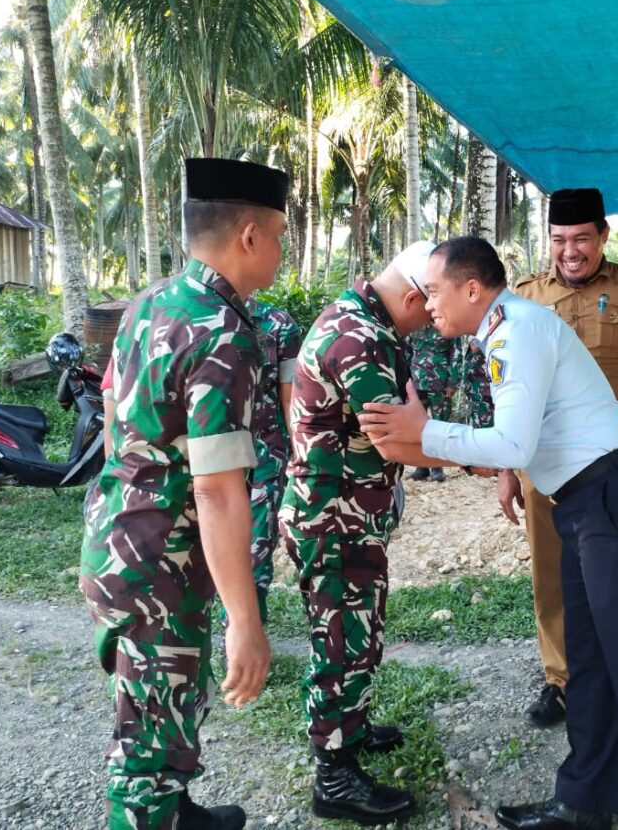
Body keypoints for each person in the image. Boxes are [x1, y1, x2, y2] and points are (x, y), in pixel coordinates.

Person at [359, 237, 618, 830]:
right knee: (589, 662)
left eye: (435, 292)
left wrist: (426, 430)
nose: (427, 303)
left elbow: (512, 443)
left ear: (471, 289)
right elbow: (523, 438)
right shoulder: (502, 331)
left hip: (613, 500)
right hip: (585, 506)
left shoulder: (516, 331)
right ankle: (585, 804)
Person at [80, 157, 285, 830]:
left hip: (121, 540)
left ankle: (176, 809)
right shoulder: (223, 333)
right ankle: (153, 813)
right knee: (145, 747)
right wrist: (246, 625)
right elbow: (219, 491)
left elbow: (114, 417)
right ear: (249, 235)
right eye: (282, 235)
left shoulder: (152, 305)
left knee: (156, 709)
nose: (285, 251)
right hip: (159, 565)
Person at [278, 239, 439, 825]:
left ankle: (354, 724)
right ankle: (334, 775)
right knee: (340, 639)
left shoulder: (369, 324)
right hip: (333, 518)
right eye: (434, 304)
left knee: (361, 628)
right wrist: (484, 458)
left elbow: (405, 412)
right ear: (414, 294)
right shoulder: (360, 339)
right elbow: (398, 436)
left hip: (349, 513)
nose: (435, 319)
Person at [506, 187, 618, 727]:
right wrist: (509, 471)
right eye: (559, 240)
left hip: (616, 469)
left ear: (603, 235)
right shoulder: (524, 296)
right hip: (546, 471)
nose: (570, 251)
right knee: (552, 577)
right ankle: (561, 681)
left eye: (581, 238)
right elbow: (510, 388)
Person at [245, 300, 303, 625]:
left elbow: (289, 399)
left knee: (256, 551)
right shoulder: (187, 313)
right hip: (201, 460)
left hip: (264, 459)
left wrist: (300, 459)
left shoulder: (278, 324)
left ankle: (245, 640)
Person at [407, 323, 459, 481]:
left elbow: (456, 354)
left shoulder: (447, 324)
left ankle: (437, 467)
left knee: (439, 426)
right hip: (416, 382)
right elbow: (406, 352)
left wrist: (452, 382)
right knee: (416, 426)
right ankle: (421, 467)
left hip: (439, 382)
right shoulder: (413, 325)